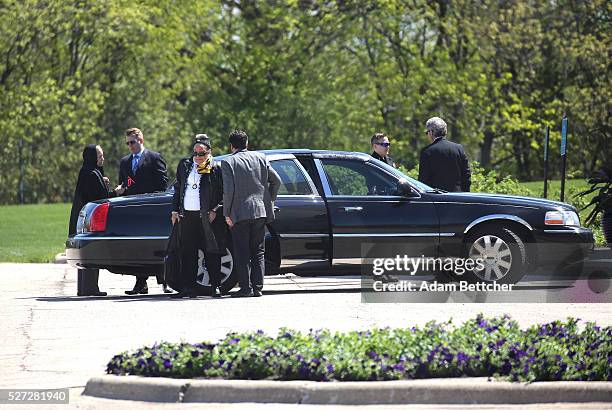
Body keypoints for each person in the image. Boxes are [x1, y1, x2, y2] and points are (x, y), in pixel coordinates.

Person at [221, 130, 281, 298]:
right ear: (247, 143)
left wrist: (227, 213)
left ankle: (246, 288)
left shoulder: (228, 162)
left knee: (242, 252)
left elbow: (228, 191)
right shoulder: (261, 158)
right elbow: (276, 181)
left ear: (231, 146)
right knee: (258, 251)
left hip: (239, 212)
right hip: (260, 211)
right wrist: (269, 201)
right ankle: (258, 287)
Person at [170, 134, 226, 298]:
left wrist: (215, 209)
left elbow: (224, 193)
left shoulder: (215, 167)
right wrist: (175, 210)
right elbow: (178, 188)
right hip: (187, 215)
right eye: (195, 153)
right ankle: (189, 287)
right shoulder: (185, 165)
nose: (198, 157)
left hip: (207, 217)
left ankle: (216, 285)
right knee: (188, 252)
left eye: (201, 153)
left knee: (211, 252)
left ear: (209, 152)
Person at [118, 128, 169, 295]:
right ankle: (141, 283)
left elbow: (162, 184)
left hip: (152, 208)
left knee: (156, 245)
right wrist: (122, 189)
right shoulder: (125, 162)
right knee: (137, 247)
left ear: (141, 140)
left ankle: (165, 281)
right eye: (128, 143)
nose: (130, 146)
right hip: (133, 209)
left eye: (132, 142)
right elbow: (126, 183)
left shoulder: (154, 158)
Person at [69, 145, 124, 296]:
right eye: (99, 156)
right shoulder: (92, 174)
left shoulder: (88, 171)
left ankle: (85, 288)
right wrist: (117, 192)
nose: (102, 159)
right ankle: (90, 288)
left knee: (86, 253)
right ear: (92, 157)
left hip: (84, 218)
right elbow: (100, 198)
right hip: (89, 220)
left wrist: (103, 181)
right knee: (92, 252)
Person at [418, 117, 471, 192]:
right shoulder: (458, 148)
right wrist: (465, 194)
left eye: (427, 133)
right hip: (457, 197)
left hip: (436, 198)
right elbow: (466, 175)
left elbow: (423, 180)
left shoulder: (427, 151)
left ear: (431, 132)